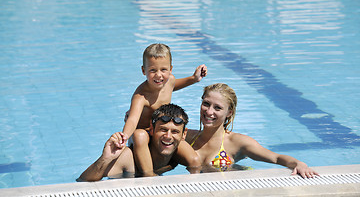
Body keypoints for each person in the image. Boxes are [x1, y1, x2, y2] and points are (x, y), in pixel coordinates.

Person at [186, 83, 319, 178]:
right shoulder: (188, 137)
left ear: (229, 113)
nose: (209, 111)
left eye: (218, 108)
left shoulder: (237, 142)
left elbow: (275, 157)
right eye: (206, 104)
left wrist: (299, 163)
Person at [122, 43, 206, 176]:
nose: (159, 75)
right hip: (144, 135)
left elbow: (174, 85)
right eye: (153, 70)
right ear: (144, 71)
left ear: (171, 69)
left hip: (161, 132)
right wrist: (124, 137)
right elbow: (132, 120)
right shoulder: (141, 96)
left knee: (194, 160)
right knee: (140, 136)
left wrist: (194, 79)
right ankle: (149, 175)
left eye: (163, 70)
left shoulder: (169, 81)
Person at [78, 104, 190, 181]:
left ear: (183, 134)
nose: (168, 137)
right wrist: (105, 158)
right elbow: (83, 181)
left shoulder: (178, 157)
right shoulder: (129, 159)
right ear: (151, 129)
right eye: (163, 130)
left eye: (175, 131)